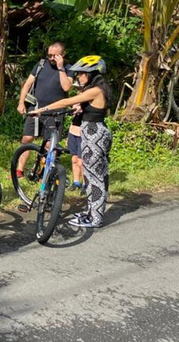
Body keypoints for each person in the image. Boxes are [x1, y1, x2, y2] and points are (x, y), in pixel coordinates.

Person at [29, 56, 111, 228]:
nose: (79, 77)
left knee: (93, 177)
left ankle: (95, 218)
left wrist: (42, 110)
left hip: (93, 133)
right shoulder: (97, 90)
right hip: (95, 131)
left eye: (81, 73)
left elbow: (67, 101)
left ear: (91, 74)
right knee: (94, 175)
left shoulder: (95, 90)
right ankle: (91, 212)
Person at [15, 42, 74, 177]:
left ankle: (43, 172)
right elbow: (27, 84)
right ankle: (19, 169)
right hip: (36, 109)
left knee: (49, 144)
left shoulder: (68, 68)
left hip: (55, 113)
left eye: (55, 56)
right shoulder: (41, 65)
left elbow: (66, 87)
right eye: (49, 55)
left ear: (63, 55)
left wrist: (60, 68)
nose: (51, 58)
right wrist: (21, 103)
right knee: (27, 138)